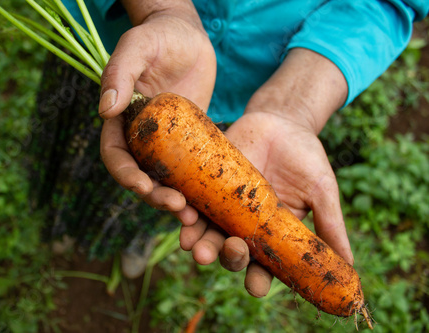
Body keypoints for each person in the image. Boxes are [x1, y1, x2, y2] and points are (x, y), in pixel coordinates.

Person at [59, 0, 428, 296]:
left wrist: (293, 106)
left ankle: (131, 238)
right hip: (131, 50)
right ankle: (64, 224)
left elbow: (386, 4)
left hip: (256, 84)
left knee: (168, 198)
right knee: (84, 160)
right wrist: (162, 10)